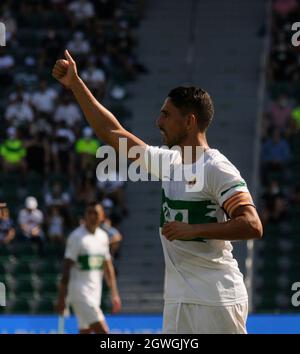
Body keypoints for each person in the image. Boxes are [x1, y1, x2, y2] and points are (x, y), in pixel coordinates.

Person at [52, 50, 263, 334]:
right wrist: (76, 84)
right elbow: (113, 132)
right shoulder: (169, 161)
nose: (158, 122)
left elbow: (252, 224)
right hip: (178, 300)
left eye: (166, 115)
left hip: (216, 299)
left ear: (189, 121)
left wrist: (193, 230)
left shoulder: (217, 168)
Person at [56, 201, 121, 334]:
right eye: (89, 213)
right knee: (103, 332)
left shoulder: (103, 237)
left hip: (95, 293)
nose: (92, 216)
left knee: (85, 331)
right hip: (80, 294)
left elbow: (108, 267)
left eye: (95, 213)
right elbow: (66, 268)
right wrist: (62, 298)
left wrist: (115, 294)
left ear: (102, 216)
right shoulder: (76, 237)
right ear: (85, 216)